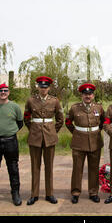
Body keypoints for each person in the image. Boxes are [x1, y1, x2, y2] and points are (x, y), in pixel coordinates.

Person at [24, 76, 64, 205]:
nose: (43, 89)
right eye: (41, 87)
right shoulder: (31, 100)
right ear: (38, 87)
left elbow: (60, 119)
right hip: (35, 137)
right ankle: (34, 194)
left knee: (49, 166)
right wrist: (33, 129)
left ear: (49, 88)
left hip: (49, 137)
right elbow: (26, 117)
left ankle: (49, 194)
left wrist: (52, 131)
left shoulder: (55, 101)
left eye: (45, 87)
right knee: (35, 166)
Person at [65, 83, 105, 204]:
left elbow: (104, 121)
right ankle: (75, 192)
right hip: (78, 142)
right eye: (85, 94)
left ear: (93, 95)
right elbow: (68, 122)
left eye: (90, 94)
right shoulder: (74, 108)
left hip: (95, 142)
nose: (88, 96)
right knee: (77, 168)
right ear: (82, 95)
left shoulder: (99, 108)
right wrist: (76, 133)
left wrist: (97, 132)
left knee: (94, 168)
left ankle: (93, 192)